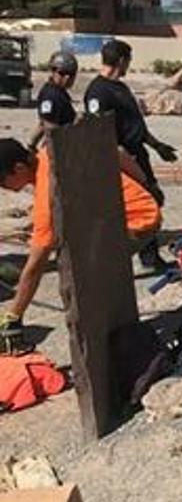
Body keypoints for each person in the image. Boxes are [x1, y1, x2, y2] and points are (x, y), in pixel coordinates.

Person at [0, 139, 161, 351]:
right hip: (143, 209)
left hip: (135, 226)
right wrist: (145, 183)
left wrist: (14, 314)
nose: (3, 188)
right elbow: (116, 150)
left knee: (77, 279)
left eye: (2, 181)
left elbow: (35, 266)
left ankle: (106, 341)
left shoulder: (47, 198)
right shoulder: (53, 151)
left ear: (19, 168)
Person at [84, 39, 176, 270]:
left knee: (152, 202)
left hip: (138, 154)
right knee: (133, 206)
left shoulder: (122, 88)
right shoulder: (98, 92)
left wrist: (158, 146)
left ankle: (150, 256)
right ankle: (118, 258)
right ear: (122, 60)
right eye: (128, 61)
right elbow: (102, 136)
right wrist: (127, 162)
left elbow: (136, 125)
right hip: (120, 160)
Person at [28, 51, 78, 150]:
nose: (68, 78)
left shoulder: (59, 92)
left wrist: (31, 146)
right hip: (59, 152)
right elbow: (50, 130)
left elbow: (43, 124)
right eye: (62, 73)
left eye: (71, 74)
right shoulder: (51, 96)